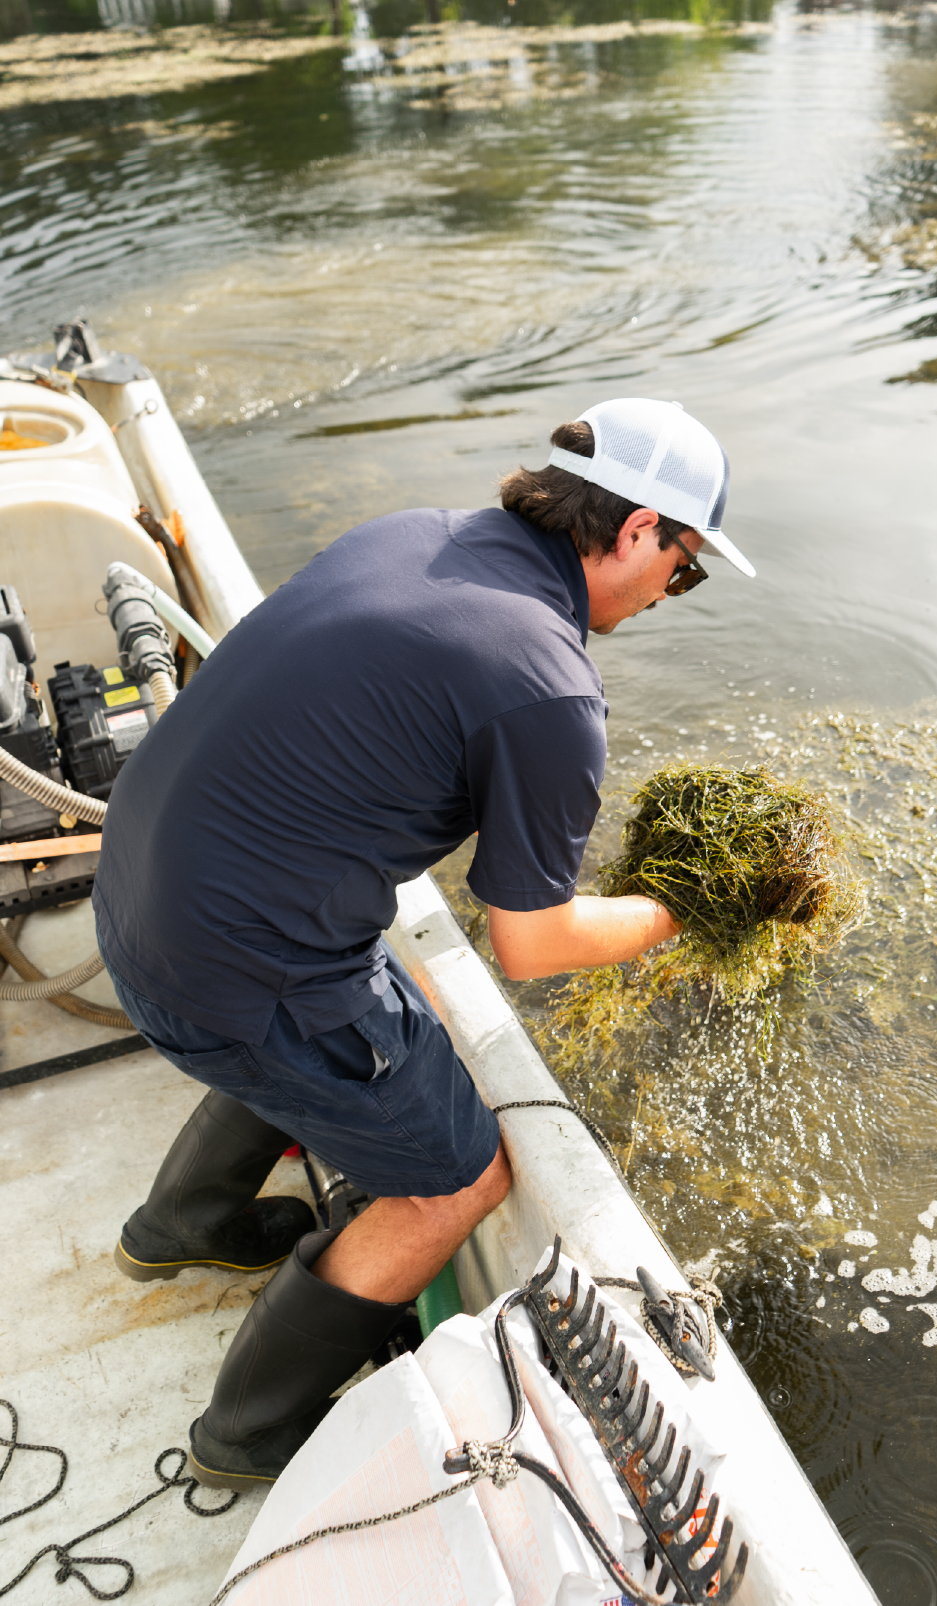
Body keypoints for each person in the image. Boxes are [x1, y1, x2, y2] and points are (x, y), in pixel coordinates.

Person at [93, 396, 756, 1492]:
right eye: (682, 569)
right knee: (456, 1180)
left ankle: (181, 1224)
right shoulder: (548, 682)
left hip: (134, 901)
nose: (667, 595)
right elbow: (531, 944)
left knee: (366, 997)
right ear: (639, 529)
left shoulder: (412, 532)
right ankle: (246, 1434)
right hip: (222, 973)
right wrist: (685, 906)